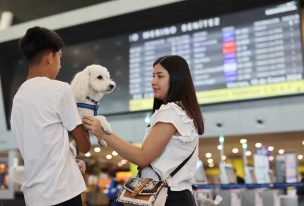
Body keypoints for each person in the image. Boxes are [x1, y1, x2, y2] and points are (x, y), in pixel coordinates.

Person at [83, 55, 204, 206]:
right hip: (176, 196)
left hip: (168, 198)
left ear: (176, 79)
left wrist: (103, 133)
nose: (153, 81)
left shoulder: (172, 111)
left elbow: (142, 157)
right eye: (153, 76)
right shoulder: (183, 111)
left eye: (160, 76)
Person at [10, 26, 91, 206]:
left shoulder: (18, 98)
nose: (60, 65)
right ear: (49, 57)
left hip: (34, 197)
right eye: (60, 58)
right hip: (63, 194)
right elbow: (84, 146)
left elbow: (41, 148)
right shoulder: (59, 89)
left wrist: (70, 160)